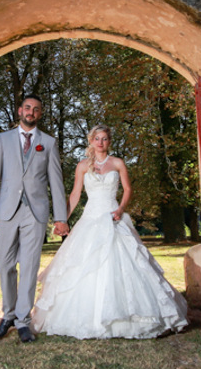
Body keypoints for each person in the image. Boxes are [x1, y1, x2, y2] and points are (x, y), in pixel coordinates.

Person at [32, 124, 188, 339]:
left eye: (104, 138)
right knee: (82, 265)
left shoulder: (117, 163)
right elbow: (75, 195)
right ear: (91, 141)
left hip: (113, 215)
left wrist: (121, 209)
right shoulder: (83, 166)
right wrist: (61, 220)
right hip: (90, 219)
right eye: (97, 138)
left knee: (129, 261)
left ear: (109, 141)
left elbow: (128, 189)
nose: (100, 142)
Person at [0, 94, 69, 343]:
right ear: (20, 110)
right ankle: (7, 316)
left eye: (36, 109)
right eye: (27, 107)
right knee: (5, 264)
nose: (31, 112)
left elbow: (56, 182)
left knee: (30, 266)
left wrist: (60, 217)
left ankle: (23, 321)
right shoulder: (3, 139)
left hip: (36, 212)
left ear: (40, 114)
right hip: (6, 212)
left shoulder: (48, 143)